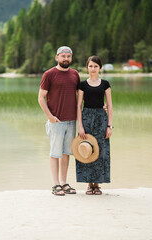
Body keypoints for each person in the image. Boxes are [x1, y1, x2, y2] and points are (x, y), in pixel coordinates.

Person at [38, 46, 80, 196]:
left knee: (66, 153)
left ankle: (64, 183)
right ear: (57, 57)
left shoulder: (75, 74)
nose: (66, 59)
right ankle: (55, 184)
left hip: (72, 120)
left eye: (68, 56)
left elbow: (80, 96)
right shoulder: (49, 74)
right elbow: (40, 97)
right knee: (55, 153)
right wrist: (50, 116)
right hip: (56, 121)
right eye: (63, 56)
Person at [76, 56, 113, 195]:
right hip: (86, 118)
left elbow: (109, 106)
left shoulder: (105, 84)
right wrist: (80, 125)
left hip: (101, 119)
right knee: (86, 149)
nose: (93, 69)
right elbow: (79, 106)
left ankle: (97, 184)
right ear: (87, 67)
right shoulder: (82, 85)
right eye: (90, 66)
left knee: (101, 151)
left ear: (100, 68)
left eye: (95, 66)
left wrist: (109, 125)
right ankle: (89, 184)